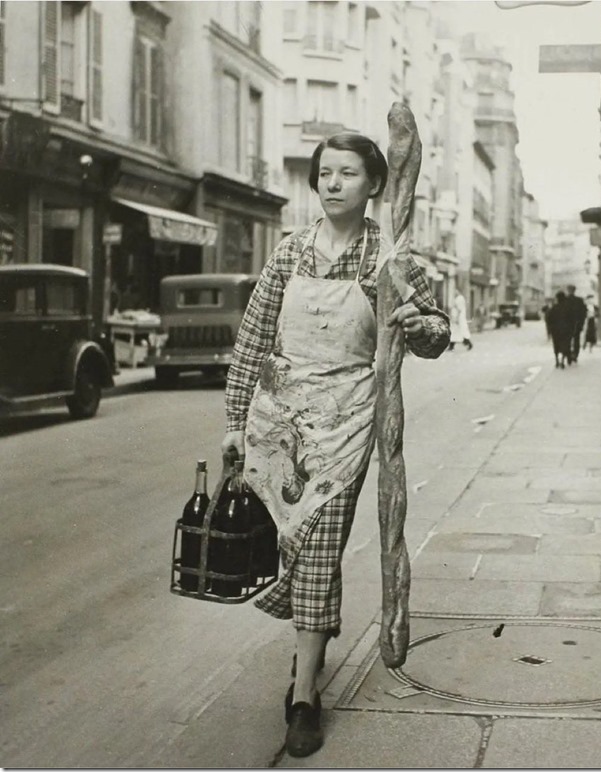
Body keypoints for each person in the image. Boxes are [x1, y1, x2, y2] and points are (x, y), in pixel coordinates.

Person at [221, 132, 449, 758]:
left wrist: (417, 322)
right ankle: (311, 648)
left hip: (347, 426)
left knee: (319, 548)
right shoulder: (290, 249)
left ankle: (302, 698)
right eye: (325, 172)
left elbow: (436, 336)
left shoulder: (391, 257)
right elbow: (253, 339)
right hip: (279, 427)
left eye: (347, 173)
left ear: (374, 184)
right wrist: (236, 421)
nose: (332, 182)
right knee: (289, 552)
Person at [545, 291, 572, 368]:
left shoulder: (554, 308)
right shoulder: (567, 308)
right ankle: (563, 361)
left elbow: (548, 319)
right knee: (564, 344)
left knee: (556, 345)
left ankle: (557, 361)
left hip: (555, 330)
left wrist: (549, 330)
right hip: (565, 329)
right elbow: (571, 319)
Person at [563, 284, 587, 364]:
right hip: (576, 323)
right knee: (576, 340)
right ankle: (575, 355)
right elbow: (584, 313)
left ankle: (569, 355)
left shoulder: (564, 300)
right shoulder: (579, 300)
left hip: (568, 324)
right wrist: (581, 323)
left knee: (568, 340)